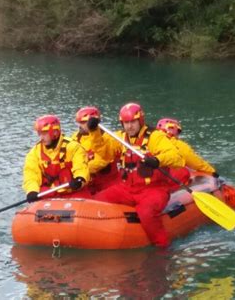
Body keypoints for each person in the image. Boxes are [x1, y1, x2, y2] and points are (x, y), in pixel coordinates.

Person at [93, 103, 185, 248]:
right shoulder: (119, 137)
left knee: (146, 213)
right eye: (126, 123)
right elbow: (104, 153)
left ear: (140, 121)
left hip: (154, 189)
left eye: (132, 122)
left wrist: (157, 160)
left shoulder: (155, 137)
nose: (129, 127)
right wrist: (95, 133)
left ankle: (163, 247)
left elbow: (177, 158)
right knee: (96, 202)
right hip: (127, 188)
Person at [23, 114, 91, 203]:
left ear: (55, 132)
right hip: (50, 193)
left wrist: (80, 179)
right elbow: (31, 173)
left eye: (44, 134)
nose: (41, 138)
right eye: (40, 134)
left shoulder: (73, 147)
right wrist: (32, 191)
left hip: (73, 191)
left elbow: (81, 167)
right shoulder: (35, 152)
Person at [71, 106, 120, 194]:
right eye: (79, 122)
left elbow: (102, 160)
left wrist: (79, 172)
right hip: (86, 181)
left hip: (105, 182)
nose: (80, 125)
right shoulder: (76, 137)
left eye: (83, 122)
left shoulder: (108, 137)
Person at [156, 118, 218, 184]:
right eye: (178, 131)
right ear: (171, 128)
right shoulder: (176, 143)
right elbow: (194, 161)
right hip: (168, 179)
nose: (177, 133)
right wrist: (212, 172)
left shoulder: (151, 140)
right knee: (212, 180)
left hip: (151, 177)